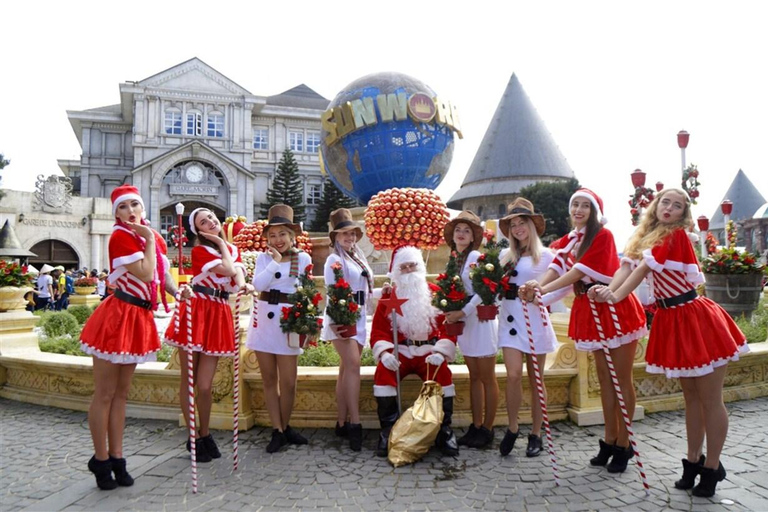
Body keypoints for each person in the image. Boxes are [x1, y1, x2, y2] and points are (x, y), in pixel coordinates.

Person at [591, 188, 747, 497]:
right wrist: (606, 288)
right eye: (666, 202)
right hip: (672, 319)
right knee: (691, 396)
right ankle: (693, 462)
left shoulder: (674, 237)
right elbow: (628, 267)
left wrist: (615, 295)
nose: (670, 208)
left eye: (677, 206)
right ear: (656, 205)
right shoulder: (646, 237)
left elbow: (643, 269)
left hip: (695, 319)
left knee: (710, 398)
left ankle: (711, 468)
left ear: (682, 214)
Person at [522, 188, 647, 473]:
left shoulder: (602, 236)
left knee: (621, 379)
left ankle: (625, 444)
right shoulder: (568, 240)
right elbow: (556, 269)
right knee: (604, 379)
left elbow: (577, 272)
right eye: (575, 205)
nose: (578, 210)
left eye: (585, 206)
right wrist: (534, 286)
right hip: (589, 309)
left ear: (594, 212)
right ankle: (609, 439)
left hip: (613, 307)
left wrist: (541, 288)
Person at [79, 184, 177, 491]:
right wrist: (149, 238)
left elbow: (161, 274)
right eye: (123, 207)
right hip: (117, 316)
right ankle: (100, 458)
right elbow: (146, 273)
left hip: (138, 317)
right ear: (116, 213)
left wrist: (179, 292)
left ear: (143, 207)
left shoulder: (149, 236)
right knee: (105, 393)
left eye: (135, 204)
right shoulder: (122, 236)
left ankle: (117, 458)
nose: (130, 211)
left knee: (122, 394)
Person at [165, 207, 252, 462]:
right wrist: (218, 241)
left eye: (212, 218)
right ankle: (194, 436)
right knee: (189, 379)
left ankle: (205, 432)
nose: (211, 222)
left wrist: (243, 281)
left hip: (218, 312)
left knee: (205, 384)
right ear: (198, 230)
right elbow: (227, 270)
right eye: (204, 222)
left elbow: (236, 282)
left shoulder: (231, 250)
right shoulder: (201, 250)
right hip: (197, 309)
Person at [370, 245, 460, 458]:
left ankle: (443, 430)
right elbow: (378, 331)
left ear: (420, 267)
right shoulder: (389, 297)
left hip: (430, 350)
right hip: (400, 351)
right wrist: (384, 354)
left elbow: (449, 325)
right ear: (396, 271)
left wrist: (441, 351)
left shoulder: (435, 293)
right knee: (383, 374)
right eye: (404, 267)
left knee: (443, 376)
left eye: (413, 265)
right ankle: (389, 431)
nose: (409, 270)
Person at [245, 205, 312, 453]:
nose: (278, 240)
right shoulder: (264, 258)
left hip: (288, 322)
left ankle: (285, 426)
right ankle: (278, 430)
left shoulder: (302, 258)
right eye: (272, 235)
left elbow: (305, 291)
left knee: (289, 382)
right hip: (264, 321)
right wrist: (273, 263)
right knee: (269, 379)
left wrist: (307, 323)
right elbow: (258, 284)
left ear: (292, 236)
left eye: (282, 234)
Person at [497, 198, 559, 457]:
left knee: (536, 379)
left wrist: (540, 296)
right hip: (510, 318)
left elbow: (562, 286)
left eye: (522, 223)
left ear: (532, 226)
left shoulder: (546, 256)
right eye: (513, 224)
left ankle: (536, 433)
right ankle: (512, 428)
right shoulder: (504, 255)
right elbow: (494, 286)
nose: (518, 228)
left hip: (534, 319)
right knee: (512, 375)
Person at [441, 211, 499, 449]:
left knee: (487, 377)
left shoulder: (475, 256)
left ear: (474, 235)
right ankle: (475, 426)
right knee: (474, 376)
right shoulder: (455, 259)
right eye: (458, 230)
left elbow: (486, 289)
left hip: (480, 322)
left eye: (467, 230)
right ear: (453, 236)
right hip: (465, 322)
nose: (461, 234)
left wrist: (462, 311)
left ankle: (488, 428)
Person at [321, 208, 374, 451]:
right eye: (343, 234)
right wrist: (338, 320)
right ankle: (355, 423)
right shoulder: (334, 259)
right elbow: (335, 292)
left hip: (360, 316)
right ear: (335, 237)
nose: (349, 237)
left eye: (352, 233)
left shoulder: (357, 256)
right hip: (343, 317)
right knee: (353, 366)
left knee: (345, 370)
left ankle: (341, 422)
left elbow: (365, 288)